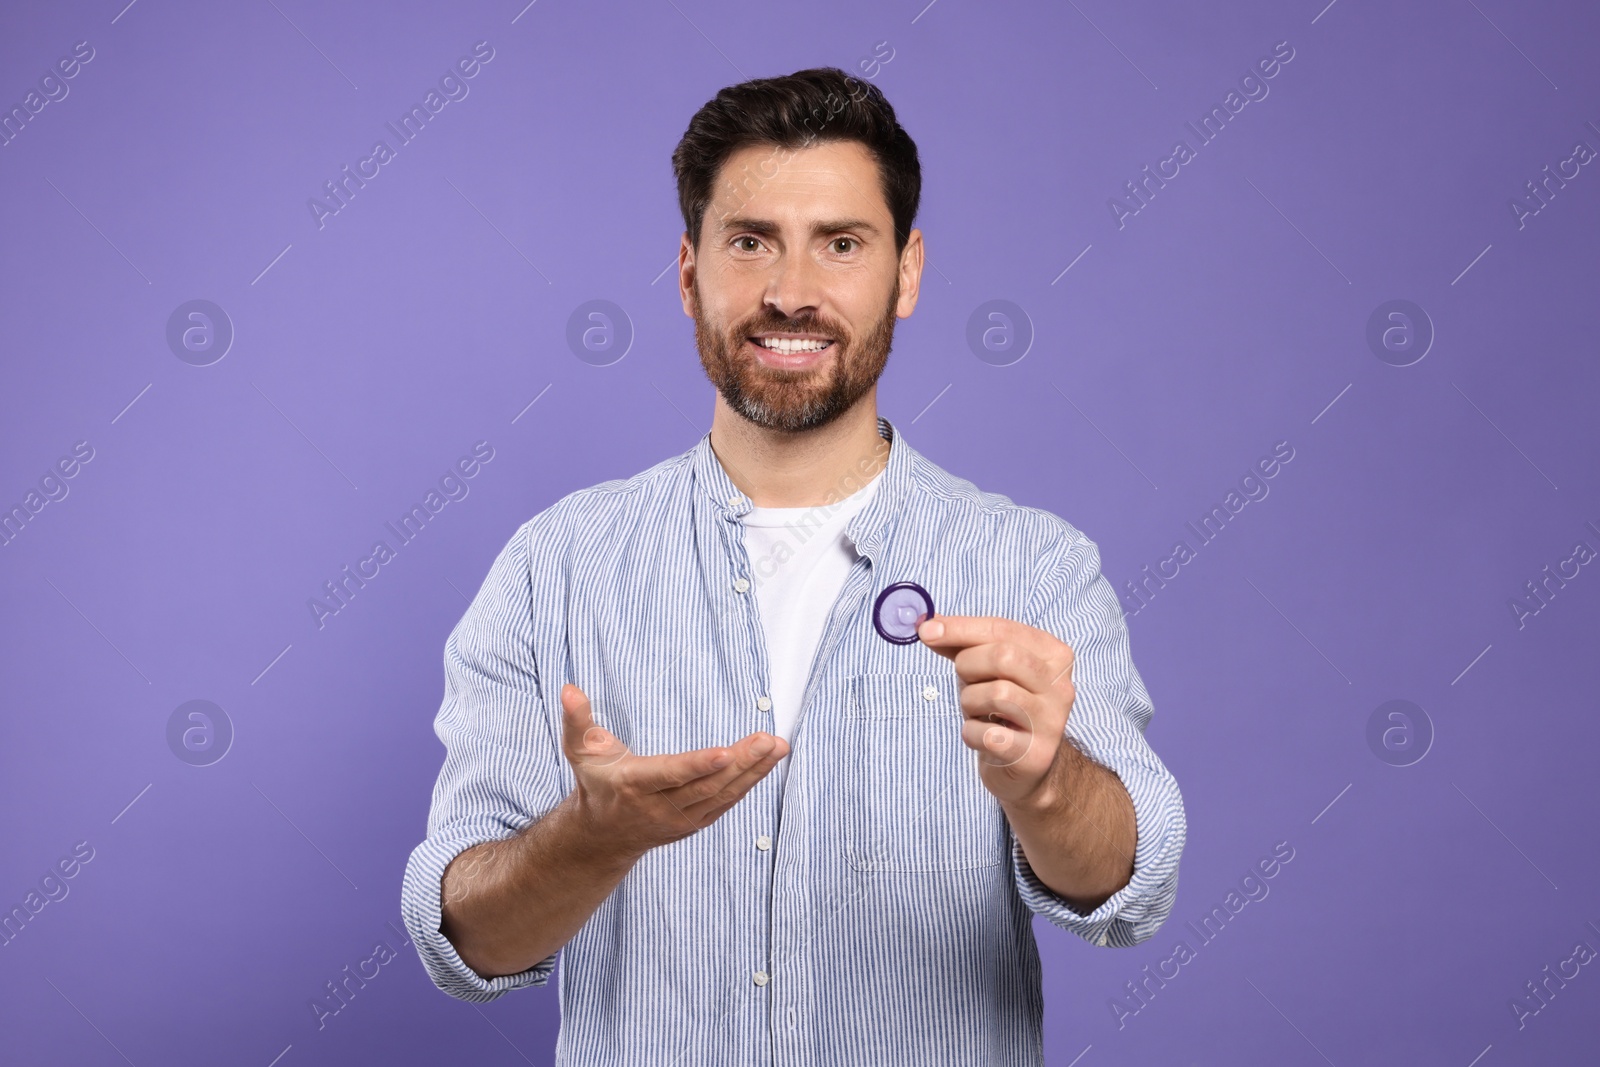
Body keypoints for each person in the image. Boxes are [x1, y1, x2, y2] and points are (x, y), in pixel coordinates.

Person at [400, 66, 1185, 1065]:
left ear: (905, 272)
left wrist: (1044, 783)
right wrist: (590, 836)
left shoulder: (1031, 564)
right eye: (750, 241)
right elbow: (463, 941)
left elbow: (1128, 888)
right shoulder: (556, 566)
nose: (790, 293)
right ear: (688, 272)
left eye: (841, 244)